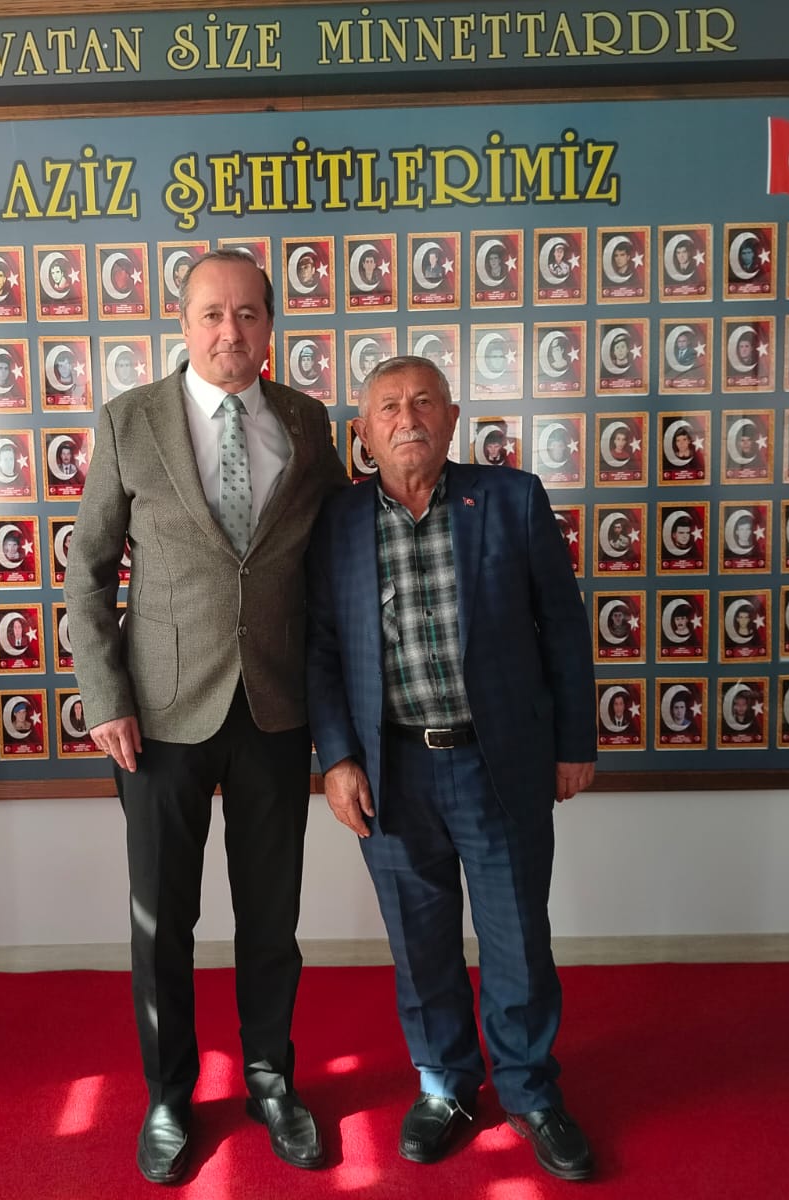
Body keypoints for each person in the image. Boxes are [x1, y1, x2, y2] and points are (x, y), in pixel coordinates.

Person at [62, 249, 345, 1184]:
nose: (232, 331)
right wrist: (105, 699)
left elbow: (330, 557)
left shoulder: (306, 422)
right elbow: (87, 574)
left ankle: (271, 1079)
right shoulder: (129, 419)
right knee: (162, 921)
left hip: (274, 707)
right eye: (213, 314)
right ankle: (169, 1095)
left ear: (271, 325)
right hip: (158, 718)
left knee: (272, 917)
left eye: (249, 313)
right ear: (183, 324)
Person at [305, 355, 597, 1181]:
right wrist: (337, 759)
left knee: (516, 938)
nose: (409, 419)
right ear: (362, 433)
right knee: (420, 944)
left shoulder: (511, 499)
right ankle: (445, 1086)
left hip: (497, 763)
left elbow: (563, 628)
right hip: (392, 771)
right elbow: (320, 650)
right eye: (389, 408)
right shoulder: (336, 521)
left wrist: (575, 742)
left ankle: (532, 1091)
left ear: (454, 417)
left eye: (424, 402)